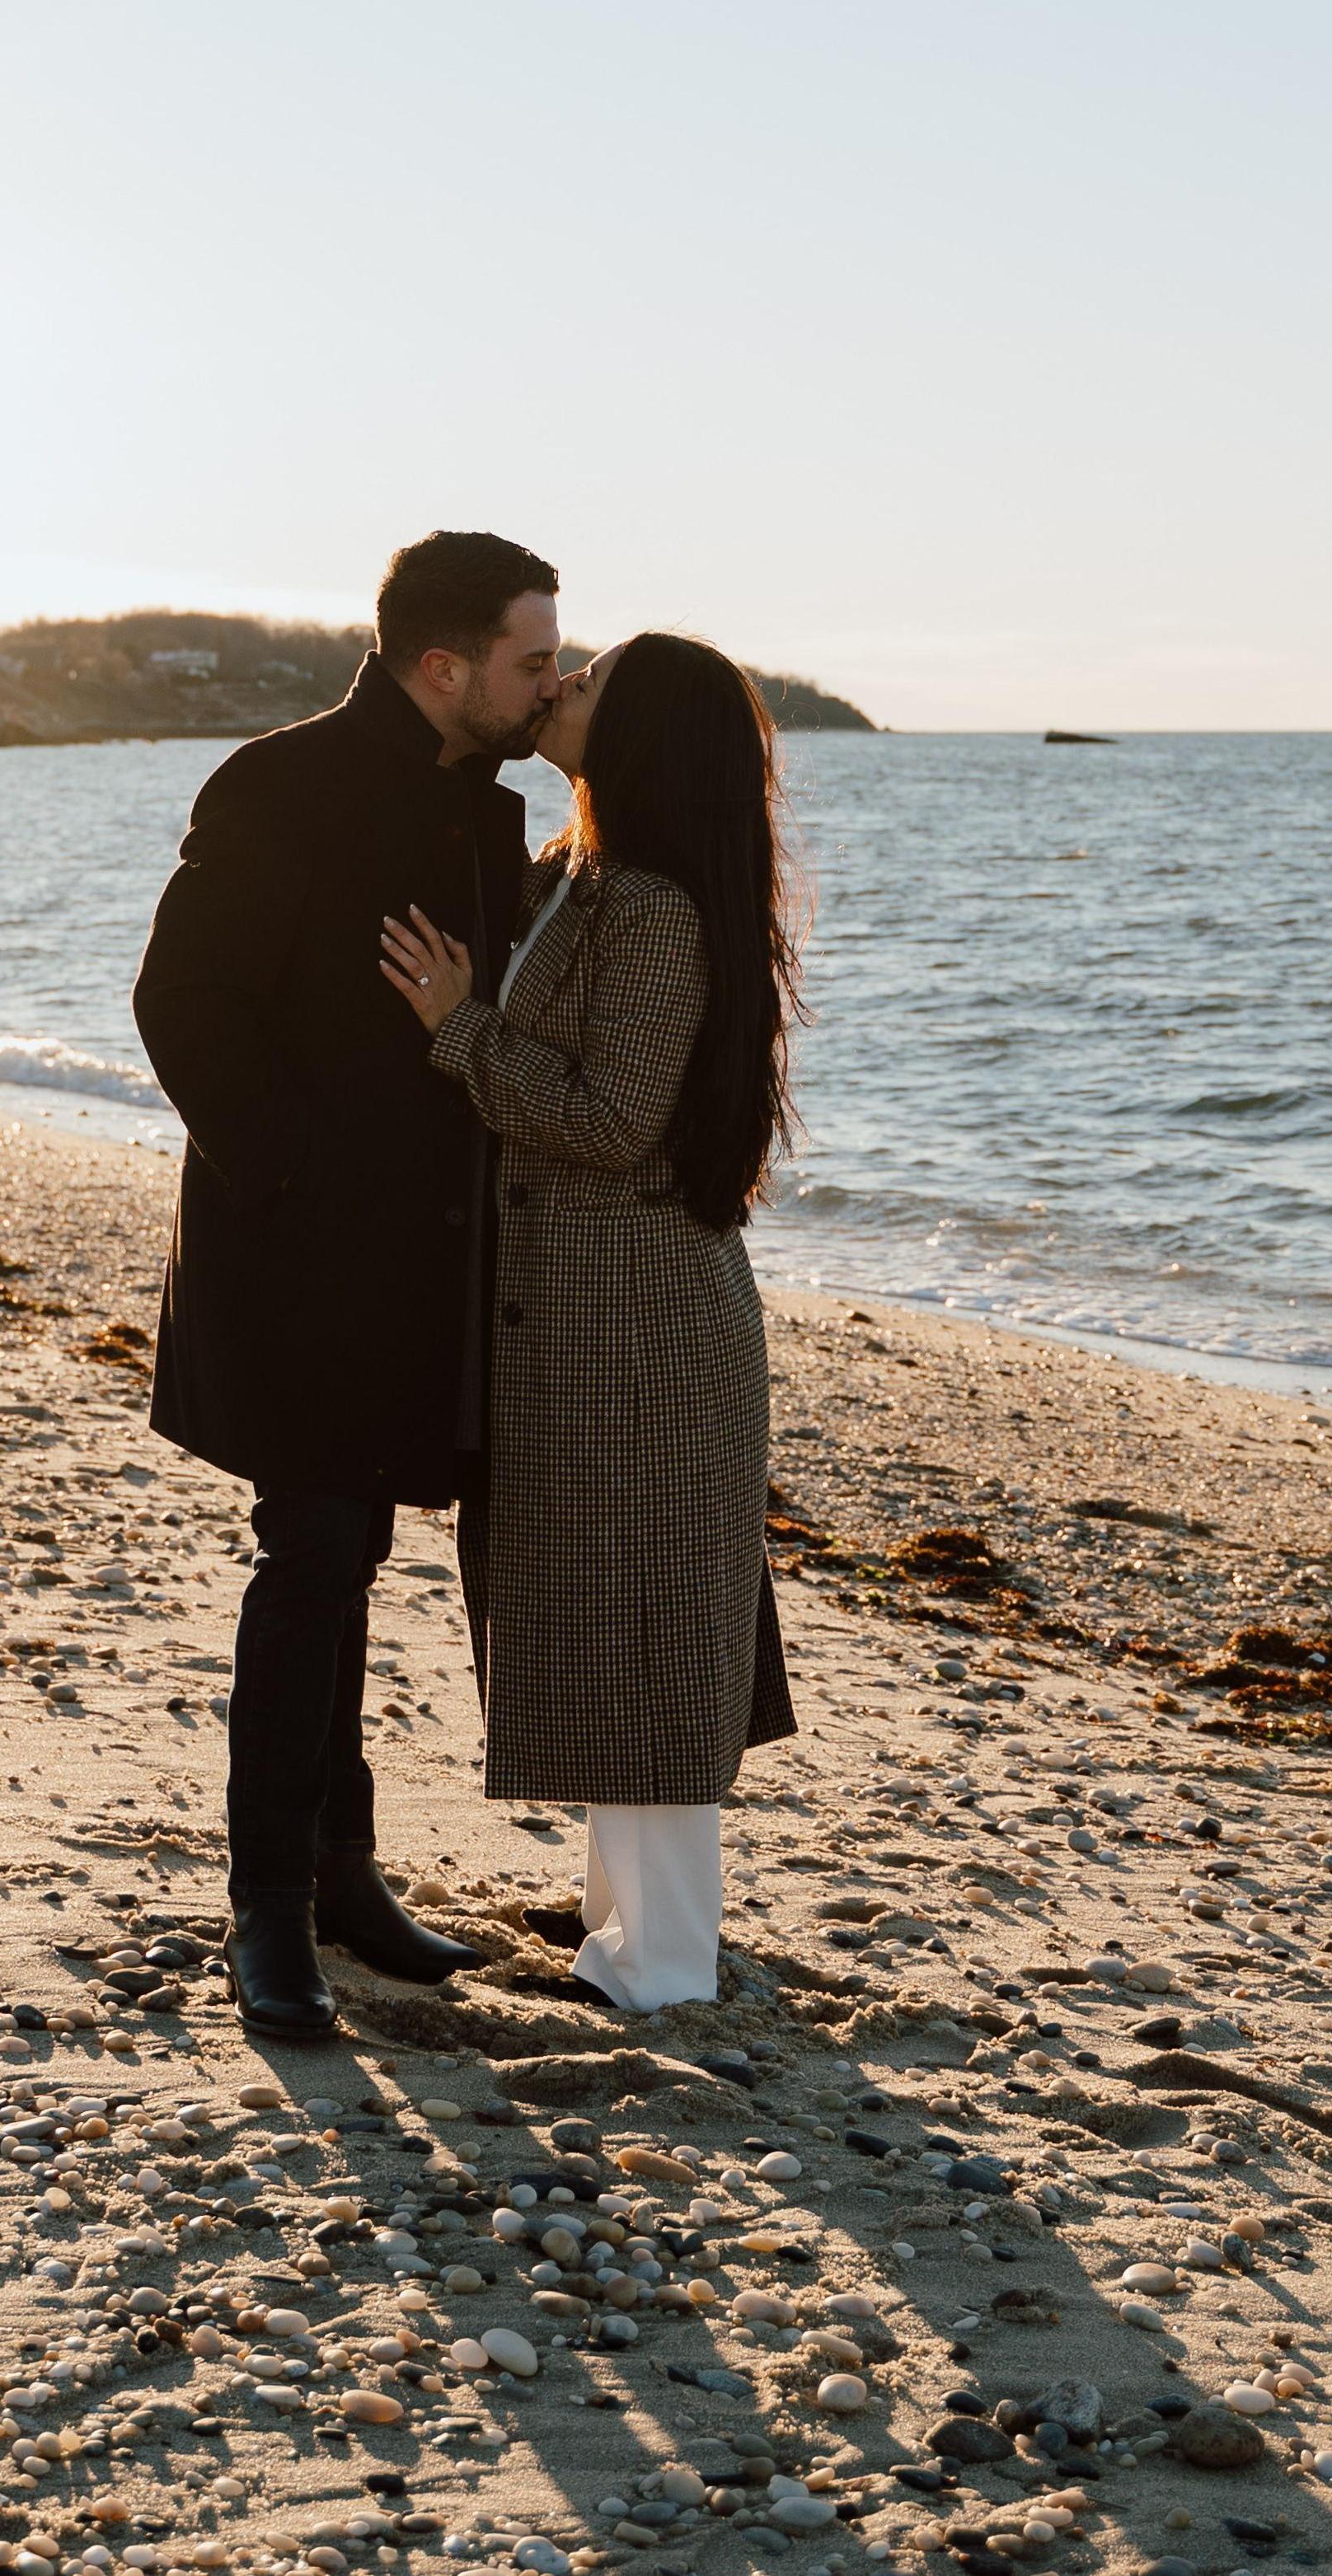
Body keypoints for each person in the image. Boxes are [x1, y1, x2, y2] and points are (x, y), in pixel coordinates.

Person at [134, 529, 564, 2042]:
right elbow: (179, 1004)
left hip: (425, 1264)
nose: (549, 681)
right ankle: (266, 1916)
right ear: (444, 666)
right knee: (312, 1555)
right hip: (297, 1257)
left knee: (354, 1555)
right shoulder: (281, 783)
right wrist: (301, 1181)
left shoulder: (484, 812)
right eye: (532, 659)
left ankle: (342, 1874)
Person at [379, 631, 799, 2012]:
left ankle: (668, 1967)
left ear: (645, 739)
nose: (559, 685)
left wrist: (458, 1027)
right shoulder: (572, 874)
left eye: (590, 680)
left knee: (649, 1637)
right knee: (600, 1629)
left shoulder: (657, 908)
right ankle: (622, 1942)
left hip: (645, 1330)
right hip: (574, 1319)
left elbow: (613, 1122)